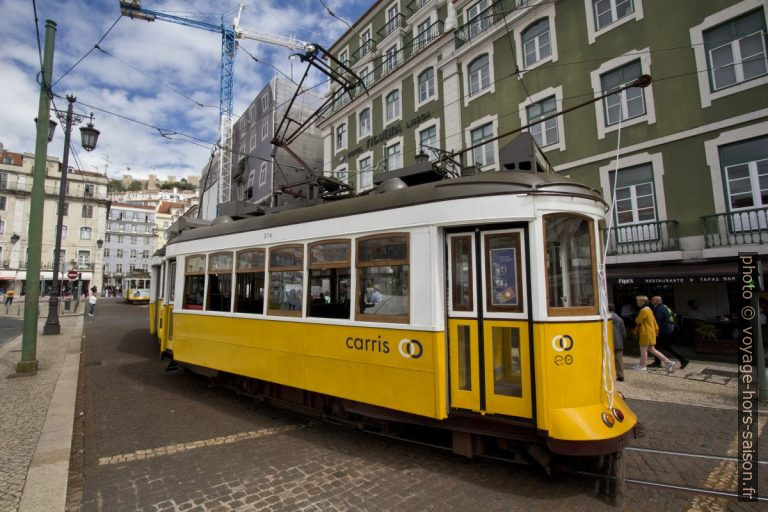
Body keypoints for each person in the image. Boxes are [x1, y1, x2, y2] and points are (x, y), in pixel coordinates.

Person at [633, 295, 673, 371]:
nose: (637, 302)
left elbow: (638, 321)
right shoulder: (650, 310)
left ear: (642, 302)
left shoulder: (644, 310)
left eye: (638, 301)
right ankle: (668, 362)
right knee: (652, 349)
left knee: (643, 349)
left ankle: (642, 366)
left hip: (645, 332)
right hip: (651, 332)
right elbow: (654, 323)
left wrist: (636, 317)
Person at [650, 296, 688, 369]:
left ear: (657, 301)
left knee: (661, 347)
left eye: (652, 300)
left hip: (662, 331)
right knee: (659, 346)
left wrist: (654, 331)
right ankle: (657, 362)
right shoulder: (665, 307)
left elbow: (657, 321)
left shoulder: (658, 309)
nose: (651, 301)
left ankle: (683, 359)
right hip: (668, 329)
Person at [609, 304, 625, 381]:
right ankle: (620, 375)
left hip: (608, 342)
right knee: (619, 360)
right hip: (618, 342)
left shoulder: (606, 319)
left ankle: (609, 375)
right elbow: (624, 333)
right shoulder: (620, 319)